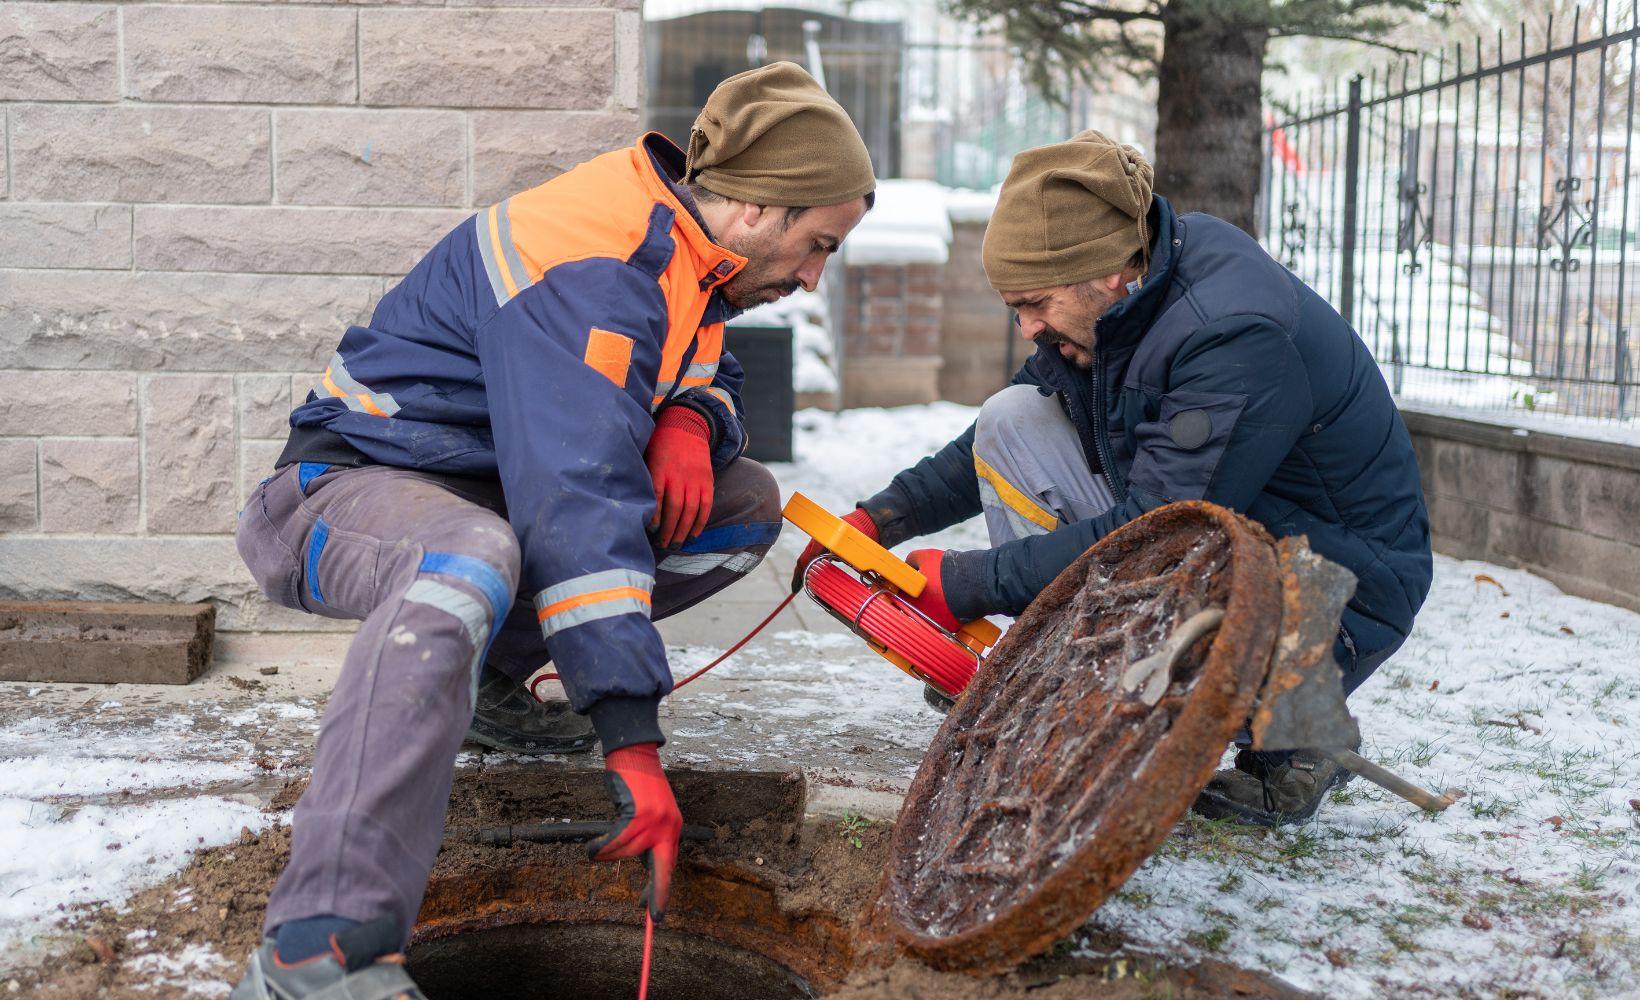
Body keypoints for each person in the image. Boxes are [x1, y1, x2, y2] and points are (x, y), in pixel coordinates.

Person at [230, 62, 875, 999]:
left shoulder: (692, 260)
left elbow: (693, 371)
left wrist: (693, 418)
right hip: (338, 495)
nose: (815, 278)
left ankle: (498, 689)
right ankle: (314, 947)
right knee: (469, 558)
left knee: (737, 507)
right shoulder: (592, 264)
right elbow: (576, 499)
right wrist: (630, 738)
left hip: (486, 489)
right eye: (817, 245)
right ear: (755, 210)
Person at [796, 130, 1432, 828]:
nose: (1026, 326)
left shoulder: (1231, 334)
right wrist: (883, 516)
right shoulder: (1125, 304)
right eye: (1015, 307)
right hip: (1236, 531)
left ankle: (1301, 735)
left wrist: (967, 582)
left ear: (1106, 272)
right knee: (1012, 418)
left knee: (1169, 572)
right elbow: (1003, 437)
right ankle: (1076, 679)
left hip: (1333, 590)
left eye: (1034, 303)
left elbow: (1159, 527)